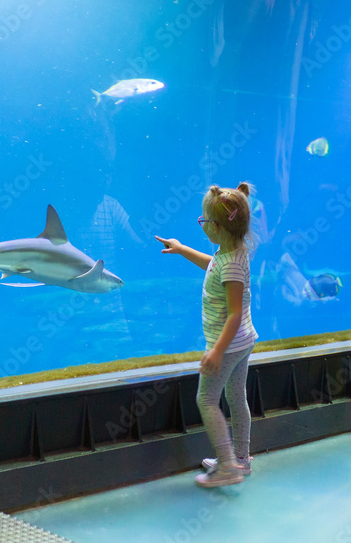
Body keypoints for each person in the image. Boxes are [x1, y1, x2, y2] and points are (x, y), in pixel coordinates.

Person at [156, 182, 258, 487]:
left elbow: (235, 313)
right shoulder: (231, 253)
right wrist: (183, 249)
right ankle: (240, 459)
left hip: (228, 345)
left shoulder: (232, 266)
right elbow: (212, 265)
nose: (201, 224)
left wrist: (216, 351)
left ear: (216, 227)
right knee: (236, 396)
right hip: (244, 342)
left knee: (206, 399)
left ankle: (227, 467)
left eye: (203, 220)